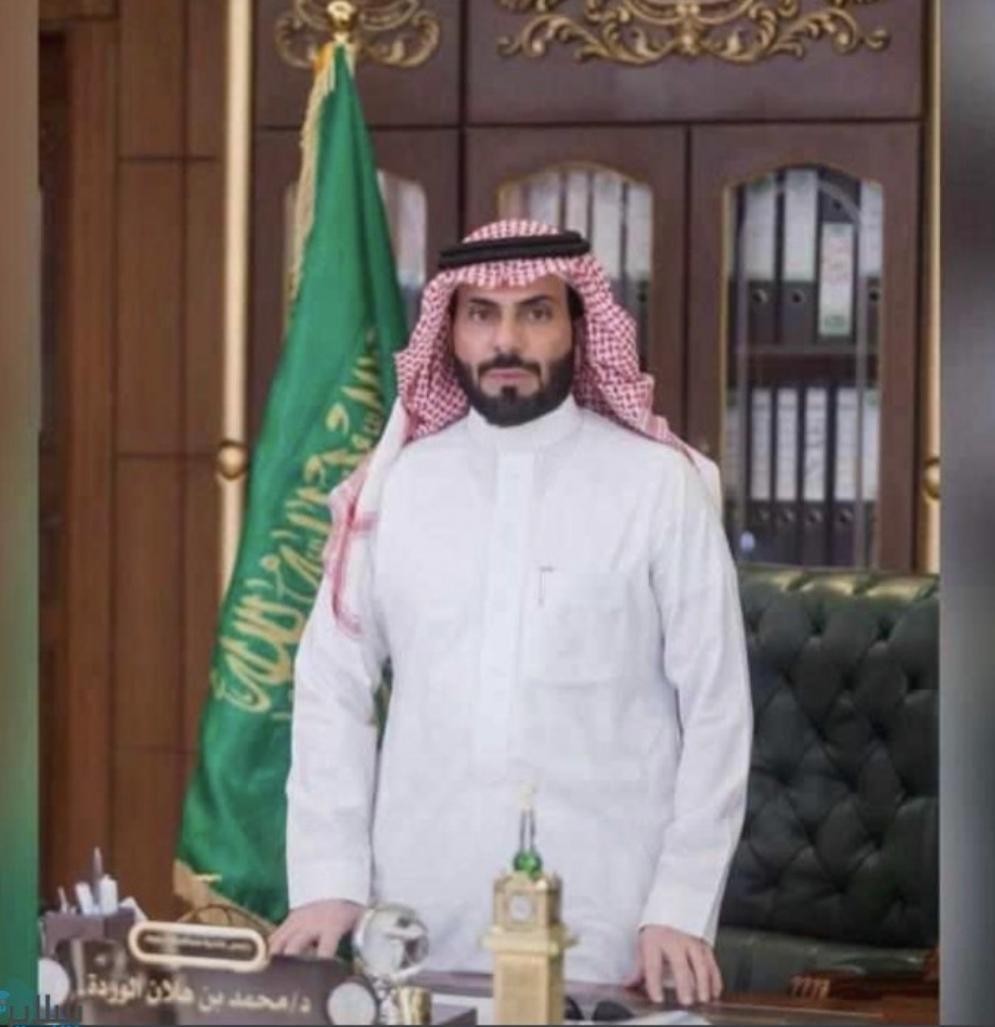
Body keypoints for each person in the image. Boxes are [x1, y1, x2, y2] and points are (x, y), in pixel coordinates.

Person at [269, 220, 753, 1007]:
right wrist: (329, 880)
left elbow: (717, 707)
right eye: (481, 314)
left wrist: (679, 902)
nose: (506, 340)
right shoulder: (396, 487)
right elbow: (331, 689)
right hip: (416, 917)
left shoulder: (657, 487)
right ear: (449, 330)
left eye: (535, 312)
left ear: (577, 326)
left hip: (610, 916)